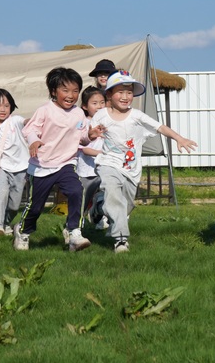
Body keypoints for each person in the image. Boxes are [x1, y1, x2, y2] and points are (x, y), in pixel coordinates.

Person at [92, 71, 197, 252]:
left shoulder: (137, 116)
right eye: (120, 92)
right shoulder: (101, 115)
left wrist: (179, 138)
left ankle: (99, 208)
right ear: (109, 94)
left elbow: (160, 127)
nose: (125, 97)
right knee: (113, 193)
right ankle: (121, 240)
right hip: (108, 163)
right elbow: (88, 134)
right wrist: (91, 134)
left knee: (126, 205)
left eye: (129, 92)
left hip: (131, 171)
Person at [13, 67, 102, 252]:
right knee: (35, 207)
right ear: (54, 91)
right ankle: (23, 232)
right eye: (65, 90)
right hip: (42, 166)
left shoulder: (78, 114)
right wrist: (34, 141)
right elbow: (30, 129)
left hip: (66, 163)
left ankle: (74, 232)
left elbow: (82, 137)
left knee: (77, 190)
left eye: (75, 91)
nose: (71, 95)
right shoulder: (45, 110)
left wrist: (91, 135)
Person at [0, 88, 30, 237]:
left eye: (6, 105)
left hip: (21, 167)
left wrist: (36, 121)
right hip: (1, 166)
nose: (2, 109)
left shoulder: (15, 120)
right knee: (1, 192)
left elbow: (26, 122)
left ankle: (6, 222)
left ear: (11, 106)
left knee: (15, 203)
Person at [77, 86, 107, 230]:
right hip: (87, 170)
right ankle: (76, 226)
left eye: (102, 102)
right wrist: (102, 154)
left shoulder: (108, 122)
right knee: (83, 200)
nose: (99, 106)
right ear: (84, 106)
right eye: (94, 103)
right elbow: (84, 149)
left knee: (107, 196)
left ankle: (99, 217)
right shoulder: (82, 123)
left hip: (104, 168)